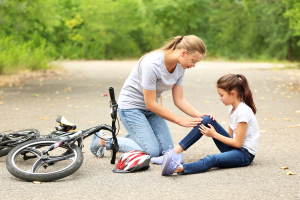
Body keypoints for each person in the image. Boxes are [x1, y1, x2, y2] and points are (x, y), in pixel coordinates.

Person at [90, 35, 214, 158]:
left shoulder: (180, 67)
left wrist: (199, 115)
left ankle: (137, 137)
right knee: (151, 152)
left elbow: (179, 99)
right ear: (183, 52)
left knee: (166, 151)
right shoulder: (152, 63)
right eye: (194, 60)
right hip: (131, 108)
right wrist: (179, 120)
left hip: (151, 110)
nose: (194, 65)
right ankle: (102, 139)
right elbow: (150, 103)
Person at [159, 74, 259, 175]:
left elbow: (238, 143)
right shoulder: (232, 109)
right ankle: (175, 152)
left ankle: (176, 168)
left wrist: (214, 134)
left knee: (212, 159)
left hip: (244, 155)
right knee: (207, 119)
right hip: (234, 149)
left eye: (221, 95)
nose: (220, 98)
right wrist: (214, 131)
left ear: (233, 93)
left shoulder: (243, 112)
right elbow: (230, 134)